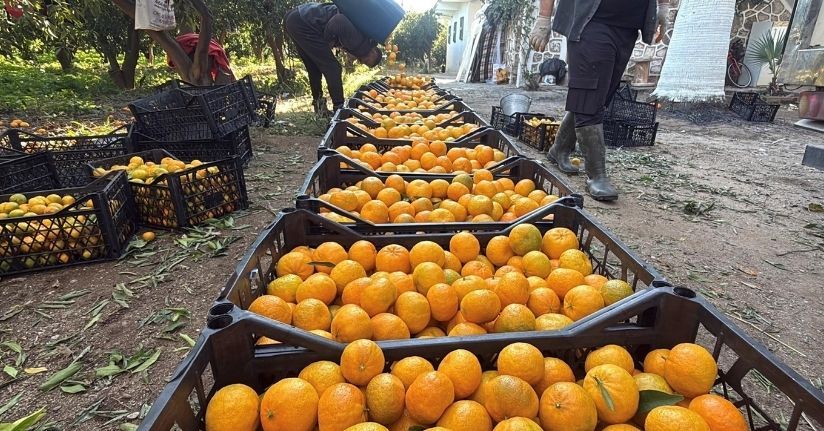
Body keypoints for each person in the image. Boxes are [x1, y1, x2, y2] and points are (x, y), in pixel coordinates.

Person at [529, 0, 669, 201]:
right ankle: (597, 175)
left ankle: (559, 148)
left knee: (599, 97)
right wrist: (544, 18)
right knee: (589, 92)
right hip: (591, 22)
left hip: (628, 26)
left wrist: (662, 6)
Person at [285, 2, 383, 116]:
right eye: (366, 59)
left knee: (314, 68)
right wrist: (326, 42)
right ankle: (339, 109)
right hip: (305, 22)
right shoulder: (360, 43)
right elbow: (338, 20)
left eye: (364, 62)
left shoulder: (362, 41)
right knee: (333, 68)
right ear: (373, 50)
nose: (362, 60)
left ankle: (319, 107)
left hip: (298, 18)